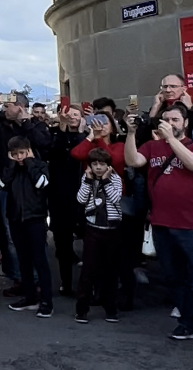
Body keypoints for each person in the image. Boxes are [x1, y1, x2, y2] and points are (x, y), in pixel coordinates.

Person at [125, 108, 193, 339]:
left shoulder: (189, 145)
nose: (170, 123)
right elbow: (133, 160)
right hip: (162, 222)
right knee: (172, 275)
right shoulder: (153, 147)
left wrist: (173, 139)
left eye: (175, 119)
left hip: (189, 223)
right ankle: (186, 321)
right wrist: (131, 133)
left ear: (185, 122)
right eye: (166, 120)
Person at [0, 134, 53, 316]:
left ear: (29, 151)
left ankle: (46, 301)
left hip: (35, 219)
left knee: (40, 260)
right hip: (16, 219)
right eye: (15, 154)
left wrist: (30, 163)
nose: (19, 157)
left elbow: (41, 183)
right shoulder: (12, 168)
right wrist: (11, 166)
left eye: (22, 153)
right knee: (24, 261)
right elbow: (1, 184)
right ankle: (29, 297)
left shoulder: (40, 165)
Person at [74, 148, 123, 324]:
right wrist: (88, 181)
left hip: (111, 229)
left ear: (108, 165)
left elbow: (116, 197)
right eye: (94, 164)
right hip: (93, 228)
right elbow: (80, 199)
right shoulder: (88, 179)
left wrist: (105, 181)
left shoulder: (115, 178)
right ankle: (82, 309)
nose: (98, 168)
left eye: (102, 164)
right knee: (88, 270)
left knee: (111, 271)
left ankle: (110, 308)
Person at [48, 105, 86, 295]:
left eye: (76, 114)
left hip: (85, 196)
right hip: (61, 196)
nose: (71, 117)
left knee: (90, 242)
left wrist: (81, 134)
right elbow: (55, 154)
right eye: (68, 114)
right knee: (63, 244)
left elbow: (82, 154)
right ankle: (66, 282)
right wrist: (62, 129)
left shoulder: (87, 136)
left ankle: (88, 284)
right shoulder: (55, 134)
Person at [136, 73, 193, 145]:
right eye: (165, 87)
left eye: (173, 86)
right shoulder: (159, 107)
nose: (168, 90)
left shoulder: (189, 107)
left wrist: (190, 108)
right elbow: (143, 137)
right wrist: (155, 108)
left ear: (183, 89)